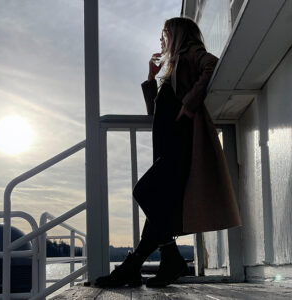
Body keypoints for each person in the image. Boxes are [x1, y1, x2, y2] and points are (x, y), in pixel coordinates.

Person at [95, 16, 242, 288]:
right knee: (158, 213)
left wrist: (190, 102)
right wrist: (152, 79)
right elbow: (156, 114)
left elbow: (212, 64)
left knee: (144, 192)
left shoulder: (189, 54)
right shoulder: (174, 68)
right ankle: (136, 266)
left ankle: (166, 258)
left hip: (181, 147)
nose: (160, 41)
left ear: (175, 35)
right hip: (169, 149)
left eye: (163, 35)